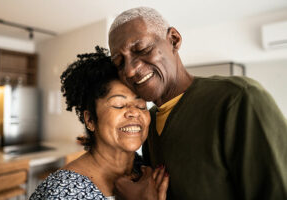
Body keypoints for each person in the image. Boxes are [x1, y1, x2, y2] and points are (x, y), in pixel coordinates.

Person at [108, 7, 287, 200]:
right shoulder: (149, 123)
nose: (130, 70)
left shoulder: (238, 99)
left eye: (142, 49)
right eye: (119, 63)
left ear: (174, 40)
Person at [30, 46, 169, 199]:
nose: (134, 112)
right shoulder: (60, 192)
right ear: (90, 120)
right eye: (119, 105)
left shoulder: (149, 173)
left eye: (141, 105)